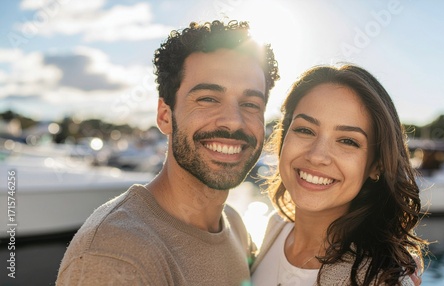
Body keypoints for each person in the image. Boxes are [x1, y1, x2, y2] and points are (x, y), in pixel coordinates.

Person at [56, 20, 279, 285]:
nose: (234, 121)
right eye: (208, 98)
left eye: (251, 103)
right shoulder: (115, 256)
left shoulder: (233, 224)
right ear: (164, 116)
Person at [251, 64, 427, 285]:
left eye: (347, 141)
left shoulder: (382, 279)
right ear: (284, 138)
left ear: (376, 165)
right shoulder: (274, 229)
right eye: (305, 130)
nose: (317, 156)